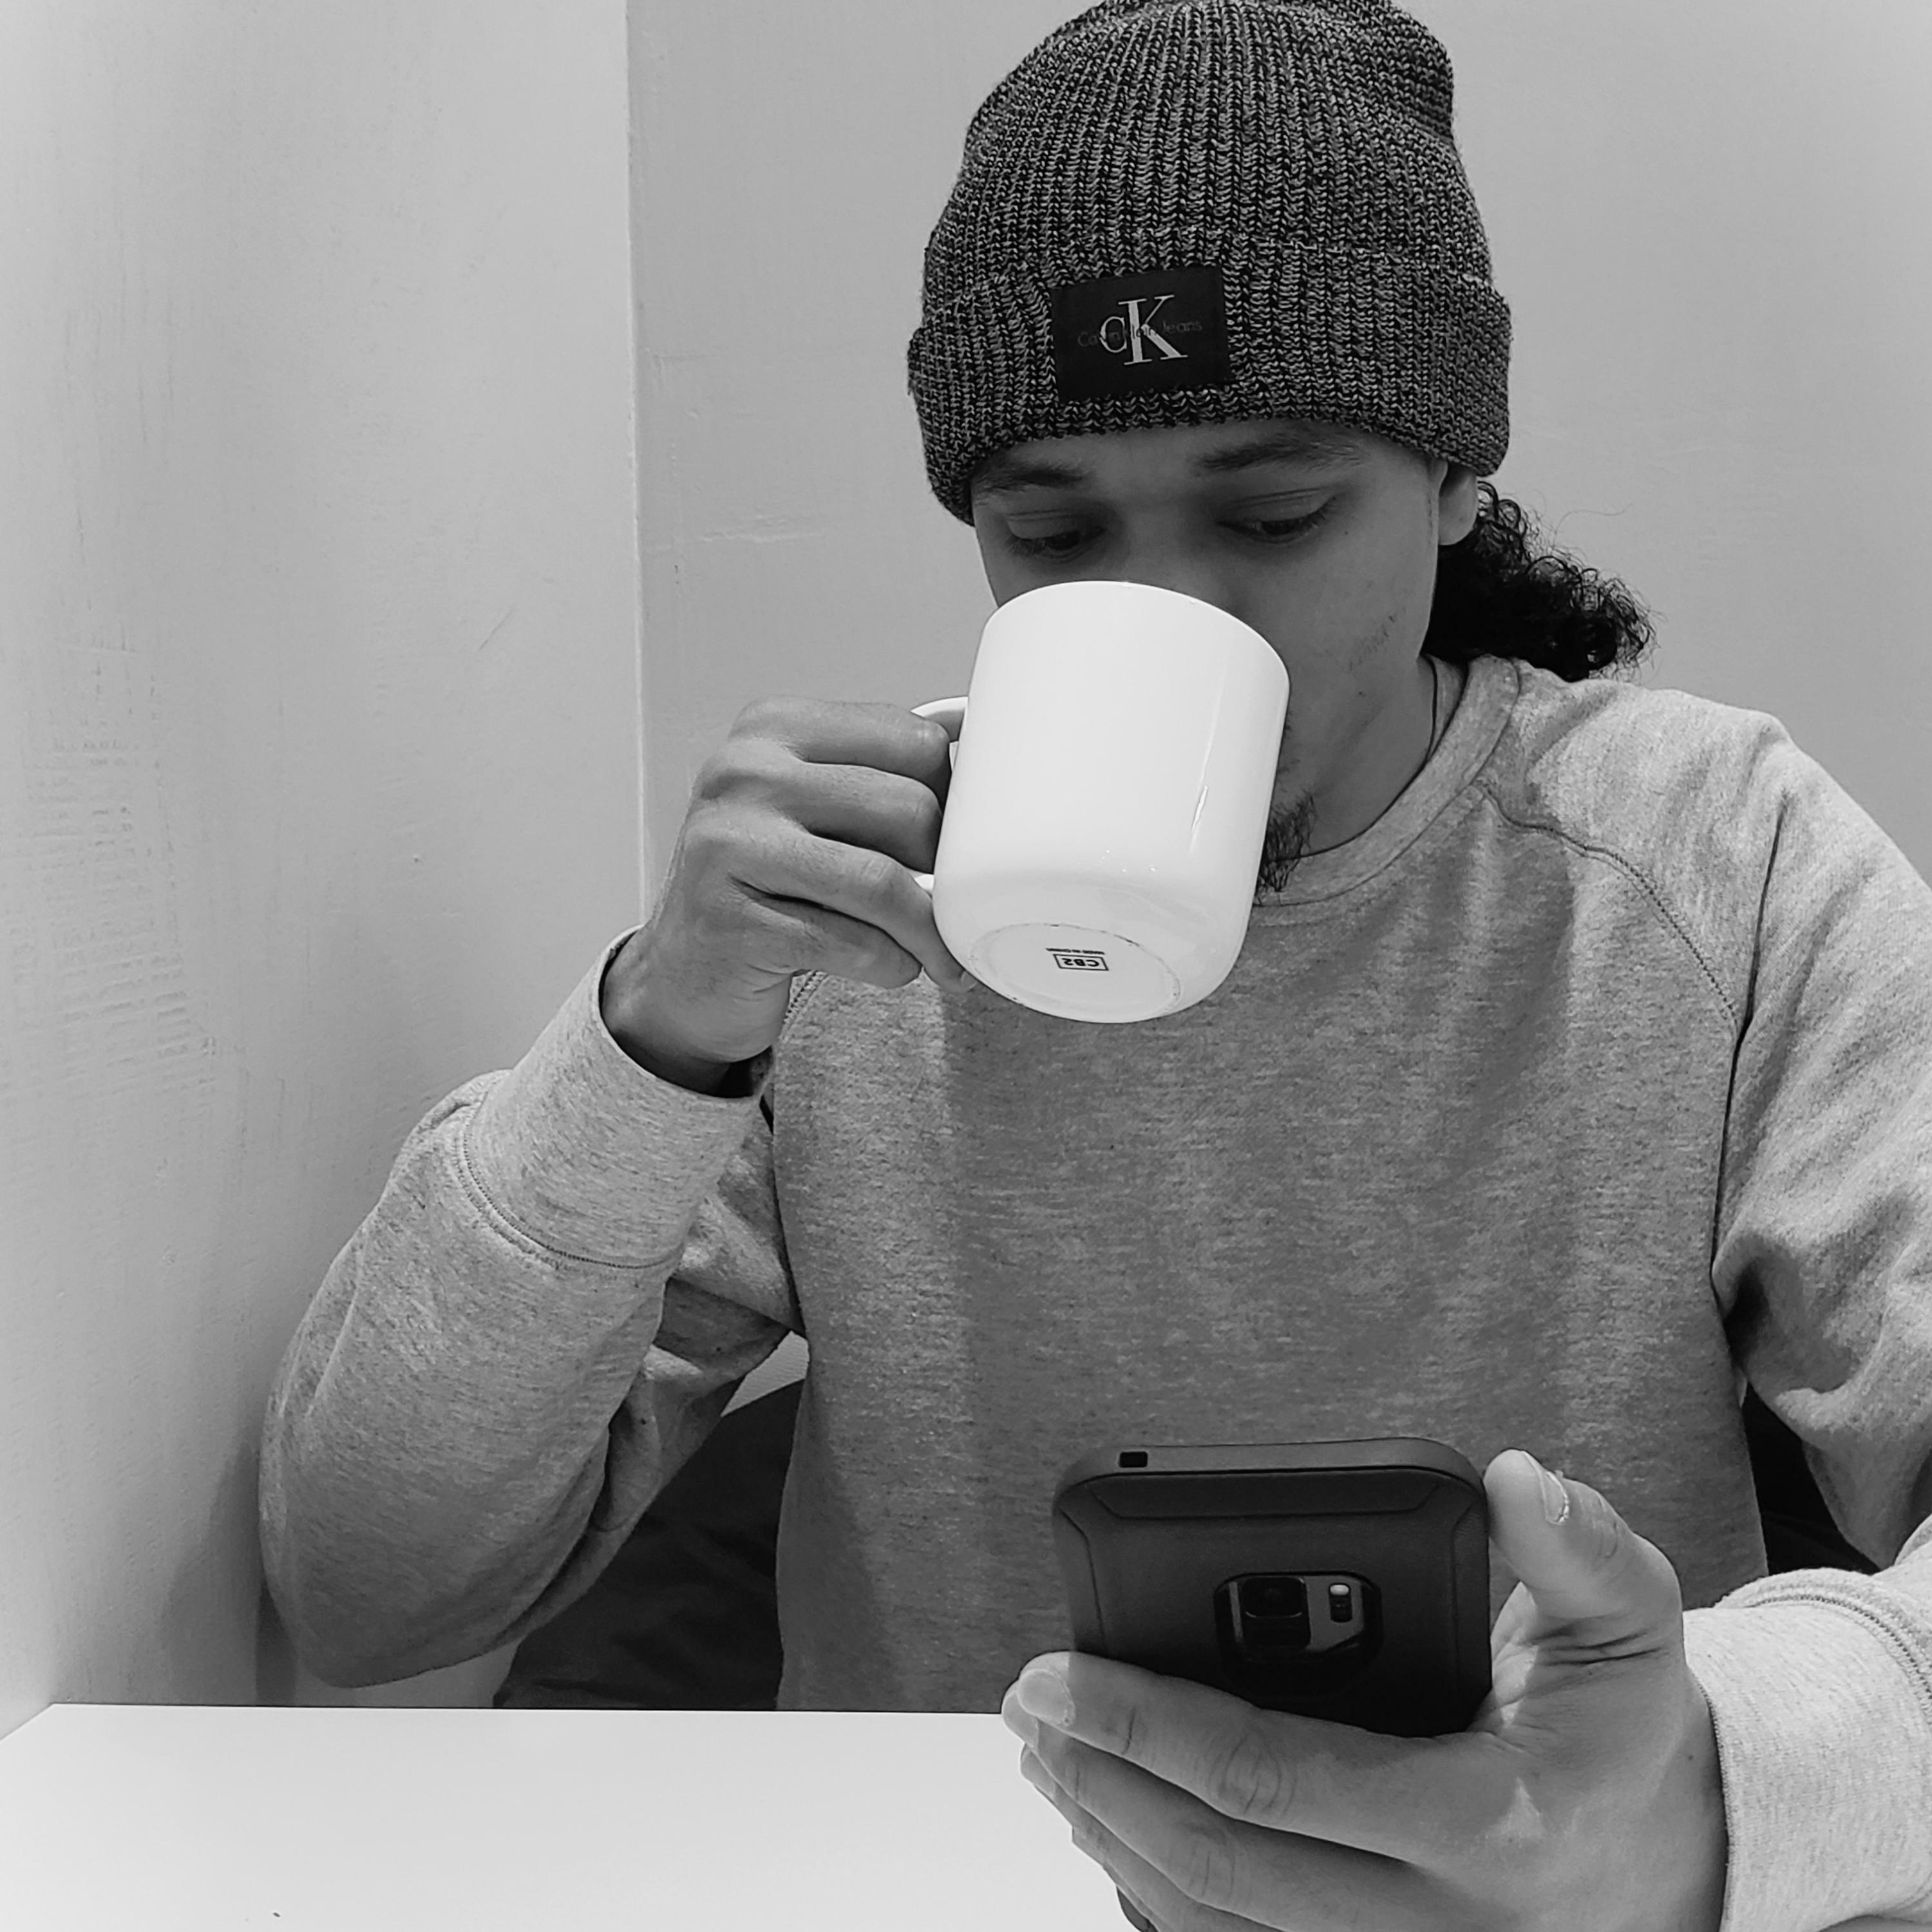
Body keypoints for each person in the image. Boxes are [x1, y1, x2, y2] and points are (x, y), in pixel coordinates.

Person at [258, 3, 1932, 1927]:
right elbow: (370, 1584)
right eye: (1052, 531)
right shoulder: (850, 914)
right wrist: (652, 1043)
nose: (1164, 602)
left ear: (1460, 475)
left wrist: (1710, 1790)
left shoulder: (1710, 865)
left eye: (1273, 512)